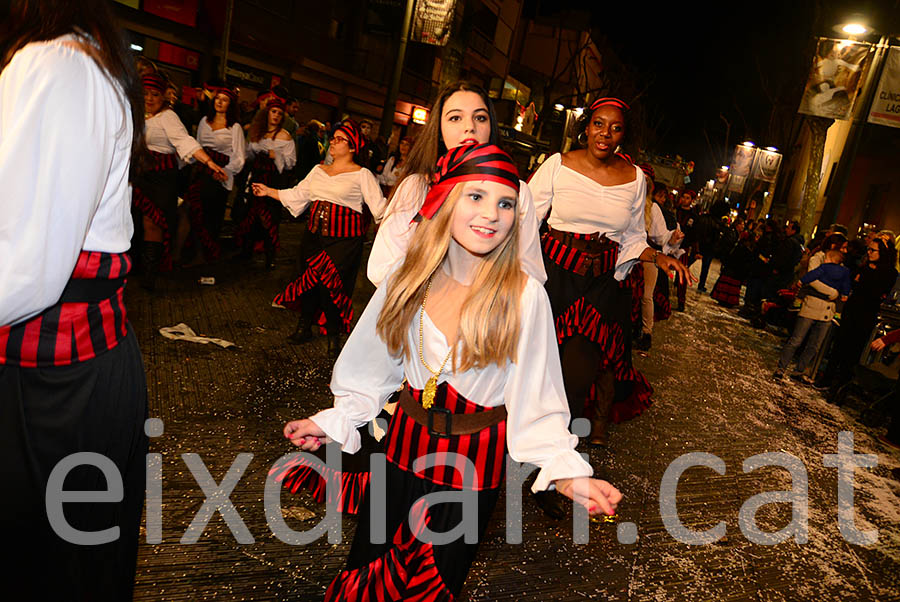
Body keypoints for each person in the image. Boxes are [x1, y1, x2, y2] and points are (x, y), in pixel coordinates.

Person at [280, 143, 622, 600]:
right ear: (447, 198)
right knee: (368, 569)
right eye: (476, 197)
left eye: (505, 203)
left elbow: (536, 402)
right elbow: (371, 366)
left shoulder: (524, 296)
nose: (492, 214)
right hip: (400, 449)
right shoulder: (409, 275)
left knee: (431, 584)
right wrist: (336, 420)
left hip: (470, 468)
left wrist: (566, 471)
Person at [0, 0, 149, 597]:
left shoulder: (58, 64)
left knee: (50, 567)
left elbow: (25, 265)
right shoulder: (71, 59)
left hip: (55, 381)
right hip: (60, 372)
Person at [528, 97, 691, 446]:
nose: (605, 133)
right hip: (555, 279)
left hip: (600, 284)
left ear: (623, 136)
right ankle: (528, 443)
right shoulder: (558, 164)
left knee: (578, 375)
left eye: (615, 128)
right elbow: (528, 219)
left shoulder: (634, 179)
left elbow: (631, 236)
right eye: (599, 124)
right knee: (538, 370)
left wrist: (658, 258)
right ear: (586, 127)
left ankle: (559, 456)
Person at [367, 80, 546, 288]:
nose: (469, 127)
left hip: (488, 313)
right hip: (421, 313)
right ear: (439, 129)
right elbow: (382, 267)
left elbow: (530, 270)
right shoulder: (417, 187)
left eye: (480, 118)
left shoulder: (517, 190)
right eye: (455, 118)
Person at [254, 119, 385, 356]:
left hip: (344, 241)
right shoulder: (318, 170)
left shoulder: (362, 174)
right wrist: (267, 191)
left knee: (330, 285)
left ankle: (333, 335)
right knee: (307, 280)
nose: (332, 142)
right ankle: (304, 327)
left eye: (339, 139)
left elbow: (380, 209)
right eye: (332, 138)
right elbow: (297, 195)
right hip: (313, 236)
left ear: (353, 146)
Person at [132, 71, 227, 288]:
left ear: (164, 96)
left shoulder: (168, 117)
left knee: (152, 222)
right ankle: (137, 267)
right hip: (138, 174)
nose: (149, 99)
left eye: (155, 94)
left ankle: (150, 276)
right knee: (136, 220)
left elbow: (185, 142)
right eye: (146, 93)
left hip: (160, 177)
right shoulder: (137, 113)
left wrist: (209, 162)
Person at [176, 85, 245, 264]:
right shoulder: (204, 121)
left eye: (224, 100)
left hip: (220, 174)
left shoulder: (235, 127)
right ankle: (190, 252)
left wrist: (226, 171)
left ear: (230, 104)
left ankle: (206, 254)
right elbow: (197, 146)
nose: (220, 102)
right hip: (202, 170)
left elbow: (239, 155)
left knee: (210, 214)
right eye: (217, 98)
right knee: (192, 209)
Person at [823, 237, 898, 397]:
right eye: (868, 249)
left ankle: (841, 383)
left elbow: (874, 290)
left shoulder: (889, 272)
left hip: (866, 314)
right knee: (839, 344)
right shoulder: (864, 267)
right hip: (853, 308)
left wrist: (865, 278)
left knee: (853, 349)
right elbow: (855, 283)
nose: (869, 253)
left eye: (873, 250)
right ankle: (827, 378)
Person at [234, 96, 296, 268]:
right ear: (267, 113)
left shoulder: (285, 136)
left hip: (273, 181)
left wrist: (275, 154)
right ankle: (246, 251)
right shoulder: (257, 132)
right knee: (250, 214)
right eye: (273, 112)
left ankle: (270, 257)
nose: (275, 116)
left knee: (270, 217)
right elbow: (248, 155)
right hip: (256, 177)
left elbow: (291, 162)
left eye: (279, 113)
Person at [774, 246, 851, 382]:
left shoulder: (824, 268)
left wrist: (800, 282)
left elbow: (811, 277)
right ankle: (798, 370)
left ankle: (782, 368)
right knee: (813, 344)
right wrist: (842, 294)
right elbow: (846, 286)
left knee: (798, 340)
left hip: (815, 307)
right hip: (826, 309)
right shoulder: (844, 271)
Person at [634, 165, 682, 351]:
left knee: (646, 295)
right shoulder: (626, 200)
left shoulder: (652, 207)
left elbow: (660, 235)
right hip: (624, 255)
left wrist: (672, 237)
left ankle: (647, 333)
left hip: (647, 255)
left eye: (646, 180)